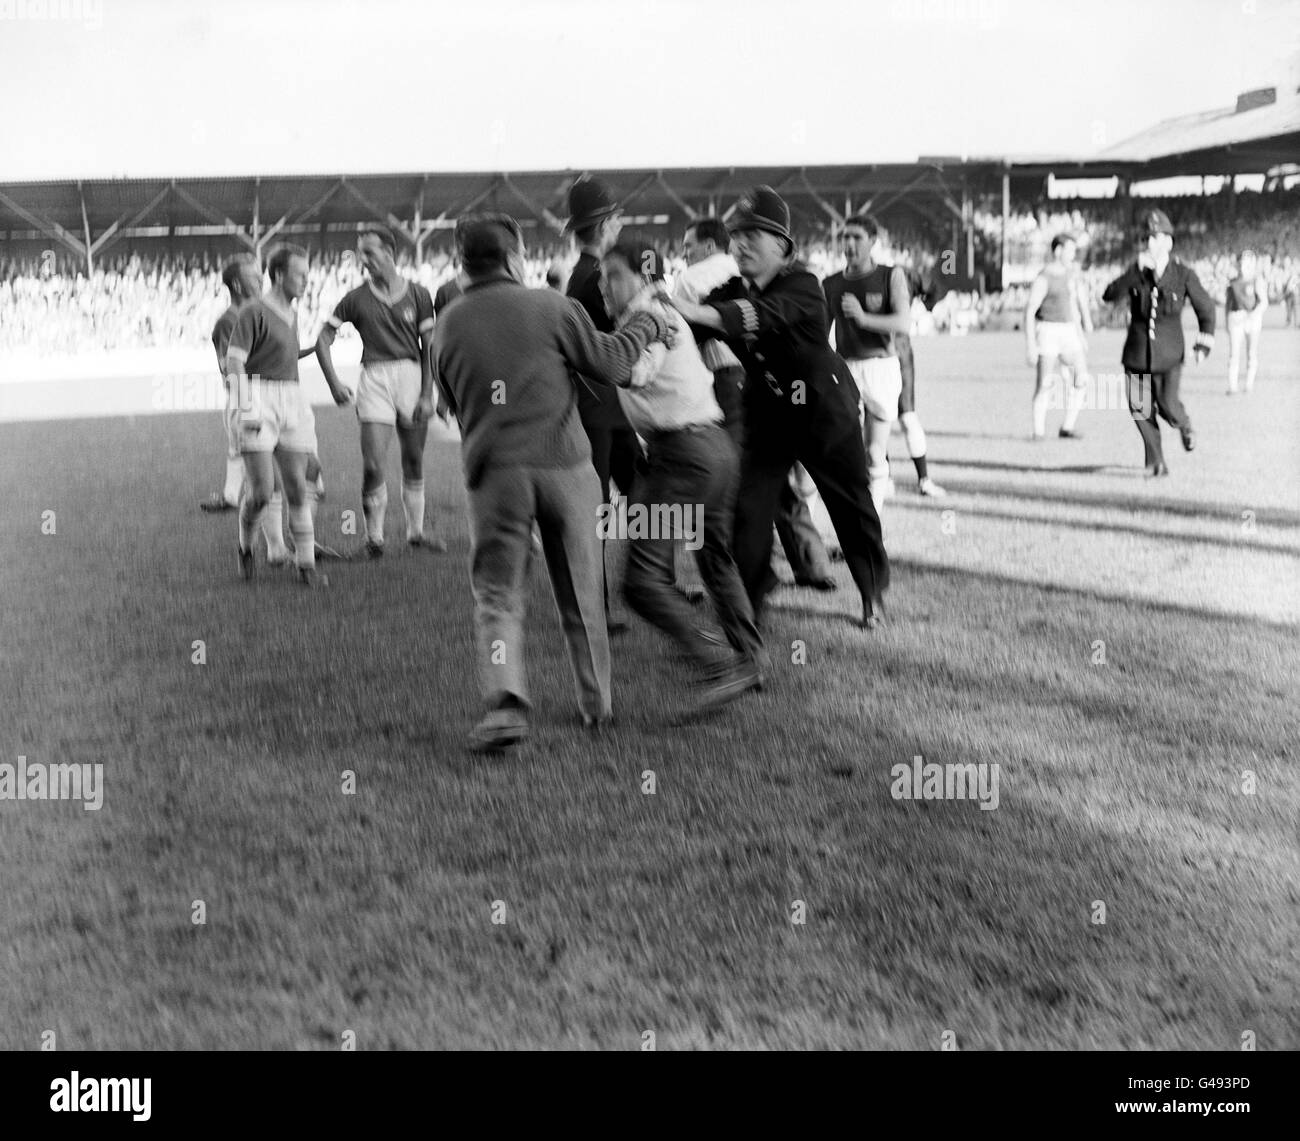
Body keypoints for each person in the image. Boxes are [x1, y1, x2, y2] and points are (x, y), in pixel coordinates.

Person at [432, 214, 672, 752]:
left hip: (494, 475)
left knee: (497, 595)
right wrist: (649, 325)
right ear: (516, 258)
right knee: (582, 594)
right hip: (565, 465)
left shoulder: (446, 324)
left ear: (462, 265)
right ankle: (597, 705)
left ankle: (507, 700)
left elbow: (448, 404)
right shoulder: (552, 306)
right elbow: (613, 363)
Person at [671, 187, 889, 628]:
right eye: (737, 235)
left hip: (823, 410)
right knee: (748, 509)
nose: (742, 243)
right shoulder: (731, 288)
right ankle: (748, 604)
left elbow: (757, 315)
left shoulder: (804, 285)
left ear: (783, 247)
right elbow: (693, 330)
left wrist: (692, 310)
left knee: (850, 504)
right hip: (768, 412)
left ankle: (871, 594)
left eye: (755, 234)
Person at [600, 238, 764, 712]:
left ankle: (721, 663)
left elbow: (632, 370)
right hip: (713, 447)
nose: (605, 285)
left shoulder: (647, 317)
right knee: (714, 558)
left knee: (642, 581)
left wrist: (578, 353)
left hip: (683, 456)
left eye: (614, 274)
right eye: (602, 276)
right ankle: (751, 660)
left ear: (644, 276)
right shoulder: (657, 313)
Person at [315, 227, 443, 557]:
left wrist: (429, 393)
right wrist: (333, 383)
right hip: (374, 380)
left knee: (413, 459)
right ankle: (374, 538)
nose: (364, 259)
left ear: (389, 252)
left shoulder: (418, 294)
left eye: (369, 252)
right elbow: (322, 339)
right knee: (373, 464)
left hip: (411, 378)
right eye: (361, 253)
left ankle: (416, 532)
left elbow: (429, 346)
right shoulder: (355, 298)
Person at [226, 245, 347, 586]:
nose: (307, 282)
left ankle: (305, 566)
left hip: (292, 398)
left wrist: (316, 348)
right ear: (278, 275)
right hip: (259, 398)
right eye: (300, 275)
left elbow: (285, 356)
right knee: (262, 492)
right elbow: (234, 363)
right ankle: (246, 546)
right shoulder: (253, 311)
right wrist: (247, 407)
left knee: (298, 486)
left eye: (308, 275)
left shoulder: (293, 313)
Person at [563, 177, 640, 632]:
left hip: (606, 408)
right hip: (601, 407)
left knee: (635, 496)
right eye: (618, 218)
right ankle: (599, 607)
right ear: (608, 224)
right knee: (603, 511)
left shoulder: (585, 275)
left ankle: (649, 582)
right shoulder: (596, 278)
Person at [1101, 210, 1215, 478]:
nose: (1151, 243)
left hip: (1169, 355)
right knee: (1141, 409)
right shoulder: (1136, 272)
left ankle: (1184, 424)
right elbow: (1109, 295)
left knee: (1167, 403)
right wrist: (1133, 273)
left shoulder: (1183, 274)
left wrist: (1204, 343)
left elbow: (1206, 308)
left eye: (1156, 237)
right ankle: (1156, 462)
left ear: (1169, 242)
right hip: (1137, 355)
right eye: (1147, 238)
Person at [822, 214, 911, 512]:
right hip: (846, 369)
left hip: (882, 368)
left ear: (873, 241)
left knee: (875, 452)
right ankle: (855, 521)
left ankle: (871, 525)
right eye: (845, 237)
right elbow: (821, 334)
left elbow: (903, 321)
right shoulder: (831, 283)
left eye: (857, 237)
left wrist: (862, 318)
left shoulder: (890, 276)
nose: (849, 243)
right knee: (847, 453)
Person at [1024, 233, 1093, 440]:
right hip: (1048, 331)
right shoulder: (1044, 277)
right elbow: (1029, 311)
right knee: (1044, 383)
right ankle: (1038, 432)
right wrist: (1030, 345)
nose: (1073, 254)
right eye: (1070, 250)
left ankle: (1067, 427)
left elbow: (1073, 306)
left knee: (1081, 378)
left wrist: (1080, 333)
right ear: (1058, 251)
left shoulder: (1071, 274)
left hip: (1068, 330)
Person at [894, 262, 945, 496]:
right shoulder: (852, 274)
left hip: (897, 351)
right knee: (869, 420)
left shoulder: (901, 273)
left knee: (906, 416)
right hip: (864, 354)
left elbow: (935, 287)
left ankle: (923, 479)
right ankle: (882, 479)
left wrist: (925, 308)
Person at [1225, 249, 1267, 395]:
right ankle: (1232, 386)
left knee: (1251, 353)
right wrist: (1227, 322)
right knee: (1234, 354)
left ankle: (1249, 384)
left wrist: (1252, 315)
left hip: (1252, 321)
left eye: (1248, 261)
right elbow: (1228, 304)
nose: (1244, 264)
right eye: (1242, 261)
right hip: (1236, 319)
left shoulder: (1257, 280)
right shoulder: (1233, 282)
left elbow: (1263, 302)